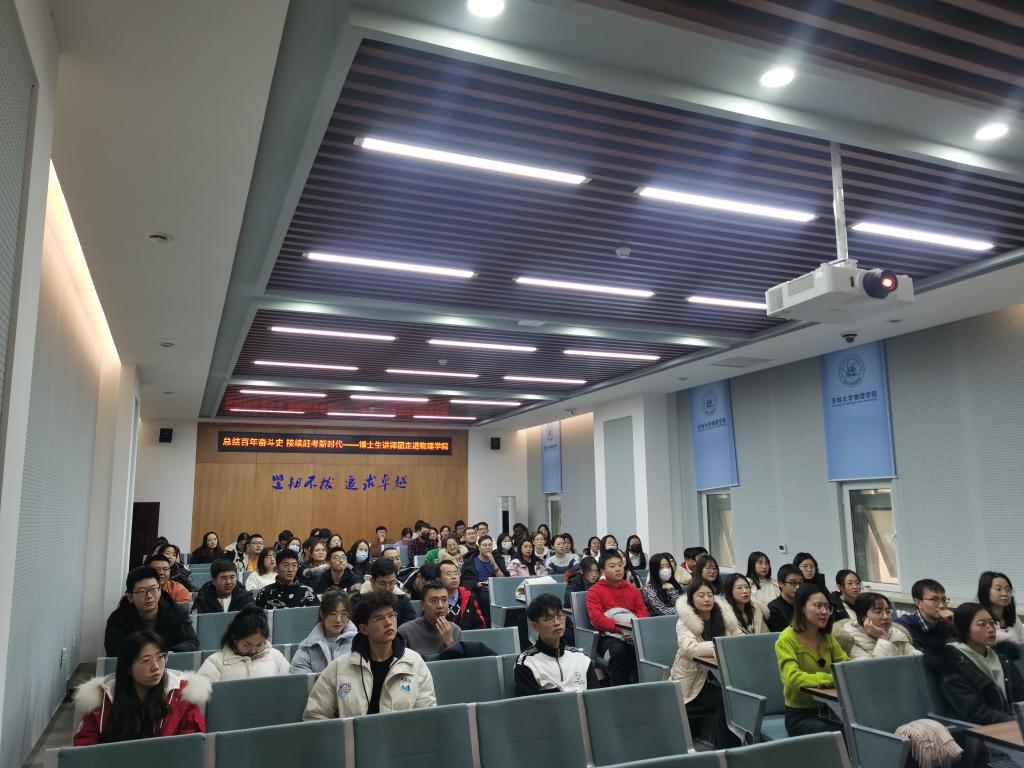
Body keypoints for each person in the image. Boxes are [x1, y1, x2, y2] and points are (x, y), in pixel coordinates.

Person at [302, 592, 436, 718]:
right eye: (379, 618)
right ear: (364, 629)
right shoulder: (340, 667)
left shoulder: (414, 663)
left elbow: (426, 716)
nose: (388, 622)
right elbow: (315, 715)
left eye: (391, 615)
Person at [74, 631, 209, 745]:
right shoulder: (102, 700)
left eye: (160, 657)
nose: (156, 667)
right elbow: (85, 748)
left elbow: (191, 745)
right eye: (146, 660)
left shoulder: (182, 695)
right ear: (128, 668)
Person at [671, 579, 741, 746]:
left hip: (720, 679)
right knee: (728, 700)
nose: (707, 599)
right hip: (693, 684)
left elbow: (739, 639)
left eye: (710, 595)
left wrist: (727, 645)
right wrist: (721, 646)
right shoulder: (684, 621)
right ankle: (725, 749)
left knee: (741, 696)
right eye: (701, 595)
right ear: (691, 599)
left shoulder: (724, 617)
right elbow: (691, 649)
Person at [930, 602, 1024, 725]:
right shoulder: (953, 662)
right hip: (981, 731)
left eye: (991, 623)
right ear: (965, 630)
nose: (990, 629)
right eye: (982, 624)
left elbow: (1021, 694)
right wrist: (1016, 722)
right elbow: (975, 713)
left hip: (1013, 724)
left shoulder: (1001, 658)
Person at [775, 583, 848, 736]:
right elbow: (792, 678)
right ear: (801, 607)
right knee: (838, 734)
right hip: (801, 715)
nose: (825, 612)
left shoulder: (827, 638)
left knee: (859, 729)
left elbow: (846, 666)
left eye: (827, 607)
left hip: (832, 709)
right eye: (818, 606)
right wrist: (831, 679)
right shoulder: (786, 639)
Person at [586, 549, 649, 686]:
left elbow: (643, 612)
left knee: (646, 649)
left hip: (633, 634)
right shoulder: (594, 591)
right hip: (608, 636)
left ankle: (642, 688)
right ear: (602, 571)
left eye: (620, 565)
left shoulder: (632, 590)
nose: (618, 569)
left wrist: (633, 630)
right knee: (619, 651)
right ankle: (619, 690)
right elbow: (597, 619)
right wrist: (621, 629)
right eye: (612, 566)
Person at [104, 567, 199, 656]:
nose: (149, 596)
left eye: (153, 589)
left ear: (160, 590)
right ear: (130, 597)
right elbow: (113, 651)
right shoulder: (118, 619)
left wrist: (168, 654)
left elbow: (191, 642)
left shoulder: (176, 612)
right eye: (142, 591)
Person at [516, 593, 597, 695]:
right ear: (535, 626)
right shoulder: (527, 663)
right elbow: (530, 704)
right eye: (549, 618)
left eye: (559, 616)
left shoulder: (582, 658)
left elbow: (596, 699)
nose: (557, 622)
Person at [196, 605, 290, 680]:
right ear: (235, 639)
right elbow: (201, 695)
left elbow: (289, 687)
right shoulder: (215, 662)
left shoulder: (276, 657)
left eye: (259, 645)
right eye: (247, 645)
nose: (253, 650)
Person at [292, 589, 358, 674]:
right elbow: (303, 677)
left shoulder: (359, 643)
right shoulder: (307, 647)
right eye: (333, 614)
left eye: (344, 614)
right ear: (322, 614)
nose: (338, 620)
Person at [834, 592, 917, 659]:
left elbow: (917, 659)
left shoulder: (896, 633)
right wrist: (882, 637)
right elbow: (874, 670)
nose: (885, 616)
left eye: (888, 612)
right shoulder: (850, 640)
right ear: (863, 616)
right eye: (878, 612)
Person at [398, 579, 462, 657]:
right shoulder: (405, 632)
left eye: (444, 600)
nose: (440, 606)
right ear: (422, 605)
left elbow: (459, 663)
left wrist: (449, 642)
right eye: (434, 601)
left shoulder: (455, 630)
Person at [895, 578, 956, 650]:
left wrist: (956, 626)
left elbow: (960, 651)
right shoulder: (904, 626)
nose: (941, 606)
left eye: (944, 600)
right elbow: (918, 656)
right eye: (934, 599)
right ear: (918, 603)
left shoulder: (947, 623)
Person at [353, 558, 417, 626]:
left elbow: (409, 627)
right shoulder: (357, 601)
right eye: (382, 583)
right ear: (372, 581)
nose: (387, 588)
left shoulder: (402, 601)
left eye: (392, 583)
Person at [255, 549, 319, 609]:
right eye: (286, 565)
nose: (290, 569)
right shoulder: (265, 593)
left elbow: (317, 614)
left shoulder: (307, 591)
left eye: (294, 565)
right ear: (276, 568)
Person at [460, 535, 509, 614]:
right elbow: (466, 582)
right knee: (485, 598)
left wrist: (494, 563)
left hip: (497, 590)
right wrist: (481, 584)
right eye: (484, 545)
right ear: (479, 547)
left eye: (490, 545)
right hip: (480, 591)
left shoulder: (498, 559)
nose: (488, 547)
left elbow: (503, 580)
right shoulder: (470, 562)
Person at [438, 560, 487, 630]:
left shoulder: (469, 597)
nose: (454, 577)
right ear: (439, 579)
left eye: (456, 573)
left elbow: (480, 624)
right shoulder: (435, 600)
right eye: (448, 574)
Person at [977, 571, 1024, 643]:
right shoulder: (979, 619)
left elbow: (1022, 638)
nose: (1005, 594)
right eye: (998, 589)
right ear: (985, 591)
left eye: (1008, 590)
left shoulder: (1012, 615)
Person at [767, 564, 803, 632]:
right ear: (781, 583)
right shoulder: (773, 608)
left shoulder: (805, 604)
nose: (798, 587)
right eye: (793, 583)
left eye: (800, 583)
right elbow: (778, 635)